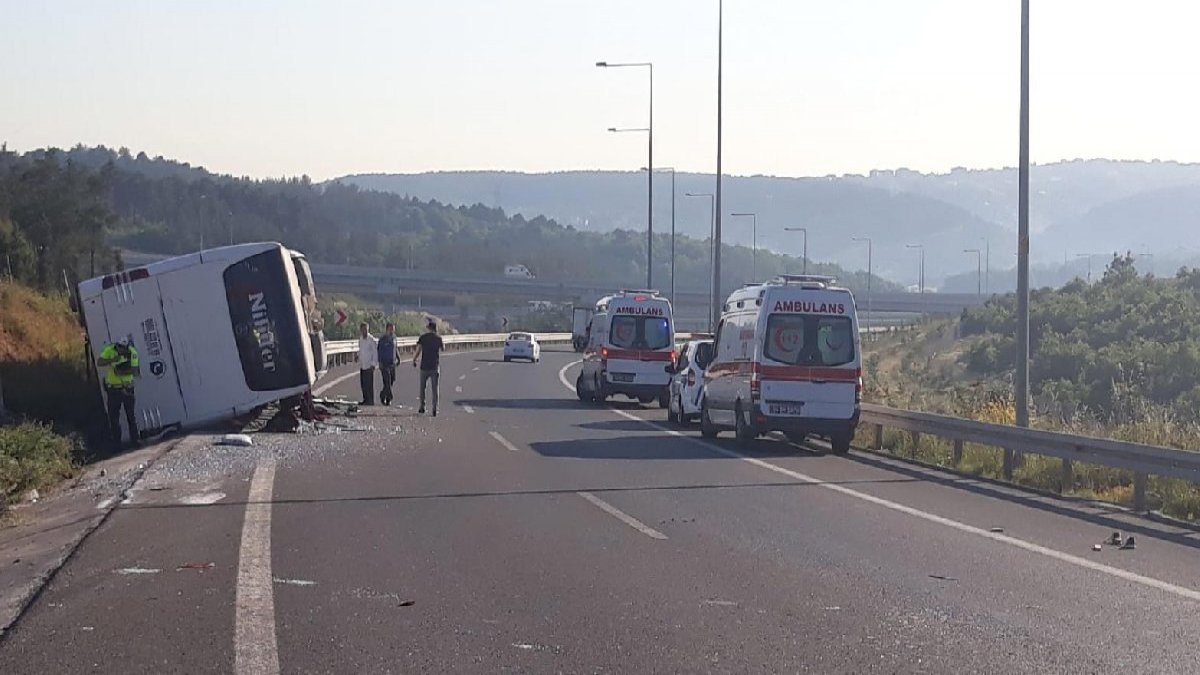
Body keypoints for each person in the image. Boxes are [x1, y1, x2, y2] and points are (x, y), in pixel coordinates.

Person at [96, 337, 140, 447]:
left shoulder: (132, 352)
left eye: (123, 348)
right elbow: (100, 362)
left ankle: (135, 441)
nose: (121, 350)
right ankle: (117, 444)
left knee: (131, 416)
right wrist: (112, 360)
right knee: (114, 417)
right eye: (119, 348)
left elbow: (135, 371)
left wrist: (121, 371)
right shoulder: (110, 350)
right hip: (114, 390)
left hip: (127, 387)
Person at [412, 319, 444, 416]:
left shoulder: (423, 338)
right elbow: (443, 349)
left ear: (429, 328)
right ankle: (434, 408)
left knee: (422, 388)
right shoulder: (438, 338)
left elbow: (418, 350)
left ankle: (422, 406)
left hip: (424, 366)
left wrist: (414, 360)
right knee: (435, 389)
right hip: (434, 366)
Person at [357, 322, 378, 406]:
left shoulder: (371, 339)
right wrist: (357, 356)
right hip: (362, 364)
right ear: (361, 330)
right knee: (363, 384)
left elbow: (375, 352)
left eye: (366, 329)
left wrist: (373, 364)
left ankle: (370, 400)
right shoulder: (361, 339)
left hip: (369, 365)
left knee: (369, 384)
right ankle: (365, 399)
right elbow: (360, 350)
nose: (364, 331)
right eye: (363, 329)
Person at [378, 322, 398, 406]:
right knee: (387, 381)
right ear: (387, 329)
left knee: (392, 380)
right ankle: (389, 398)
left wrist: (398, 358)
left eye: (393, 329)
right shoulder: (382, 340)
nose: (392, 331)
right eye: (390, 329)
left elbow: (395, 349)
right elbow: (379, 351)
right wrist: (380, 362)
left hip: (392, 363)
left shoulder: (394, 338)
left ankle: (383, 394)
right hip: (384, 363)